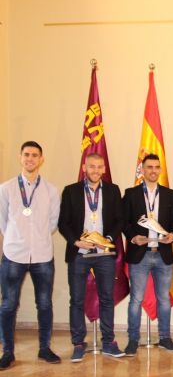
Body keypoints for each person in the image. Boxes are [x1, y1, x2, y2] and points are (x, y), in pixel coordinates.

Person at [0, 141, 61, 370]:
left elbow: (53, 222)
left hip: (43, 255)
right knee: (8, 305)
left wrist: (36, 239)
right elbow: (3, 222)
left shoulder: (51, 191)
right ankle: (7, 351)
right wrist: (18, 239)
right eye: (26, 154)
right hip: (13, 254)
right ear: (20, 157)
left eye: (35, 155)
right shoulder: (5, 189)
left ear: (41, 159)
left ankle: (44, 348)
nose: (30, 159)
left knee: (44, 304)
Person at [58, 153, 125, 361]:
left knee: (107, 298)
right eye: (91, 167)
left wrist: (108, 238)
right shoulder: (71, 191)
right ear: (85, 168)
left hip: (104, 254)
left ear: (104, 169)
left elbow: (119, 220)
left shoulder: (113, 191)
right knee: (76, 300)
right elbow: (63, 223)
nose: (95, 170)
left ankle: (109, 342)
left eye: (99, 167)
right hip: (80, 252)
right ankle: (78, 343)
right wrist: (76, 241)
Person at [122, 154, 173, 356]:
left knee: (163, 298)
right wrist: (132, 237)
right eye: (149, 167)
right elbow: (124, 222)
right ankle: (132, 340)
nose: (153, 171)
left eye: (156, 167)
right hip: (140, 254)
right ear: (142, 170)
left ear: (160, 170)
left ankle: (165, 338)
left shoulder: (171, 195)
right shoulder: (130, 194)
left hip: (162, 254)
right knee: (136, 299)